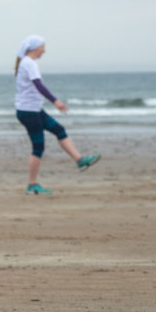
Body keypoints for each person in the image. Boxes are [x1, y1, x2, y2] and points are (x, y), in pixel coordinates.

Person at [14, 35, 100, 195]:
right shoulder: (29, 63)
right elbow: (38, 85)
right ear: (35, 48)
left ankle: (80, 160)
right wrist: (56, 101)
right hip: (29, 112)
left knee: (59, 130)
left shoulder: (27, 62)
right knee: (38, 147)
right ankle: (32, 185)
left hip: (34, 110)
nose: (44, 50)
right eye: (42, 46)